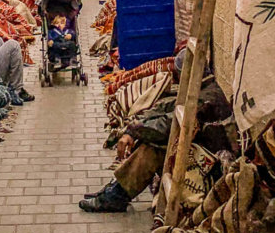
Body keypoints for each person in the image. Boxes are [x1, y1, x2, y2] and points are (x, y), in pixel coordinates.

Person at [79, 59, 233, 213]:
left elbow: (168, 124)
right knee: (148, 135)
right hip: (200, 149)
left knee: (152, 150)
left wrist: (134, 132)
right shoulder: (201, 89)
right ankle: (116, 189)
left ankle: (117, 195)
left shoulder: (206, 98)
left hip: (211, 164)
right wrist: (135, 128)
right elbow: (167, 107)